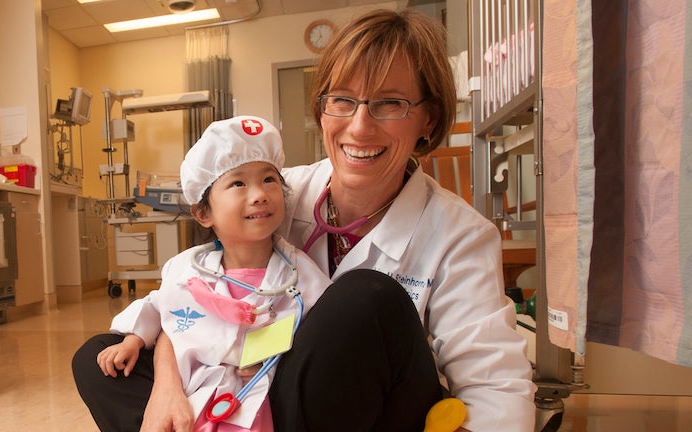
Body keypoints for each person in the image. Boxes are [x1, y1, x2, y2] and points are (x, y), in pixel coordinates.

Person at [74, 8, 536, 432]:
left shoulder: (459, 234)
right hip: (269, 395)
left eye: (390, 103)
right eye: (343, 100)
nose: (359, 127)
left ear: (428, 120)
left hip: (367, 411)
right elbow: (180, 306)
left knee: (367, 299)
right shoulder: (271, 195)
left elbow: (497, 392)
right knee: (97, 358)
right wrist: (166, 388)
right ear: (321, 109)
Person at [90, 116, 331, 431]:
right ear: (204, 213)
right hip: (198, 392)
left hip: (261, 391)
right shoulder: (187, 268)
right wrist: (134, 339)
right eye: (238, 183)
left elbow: (321, 334)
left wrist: (274, 359)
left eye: (269, 180)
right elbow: (160, 306)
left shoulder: (300, 272)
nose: (259, 193)